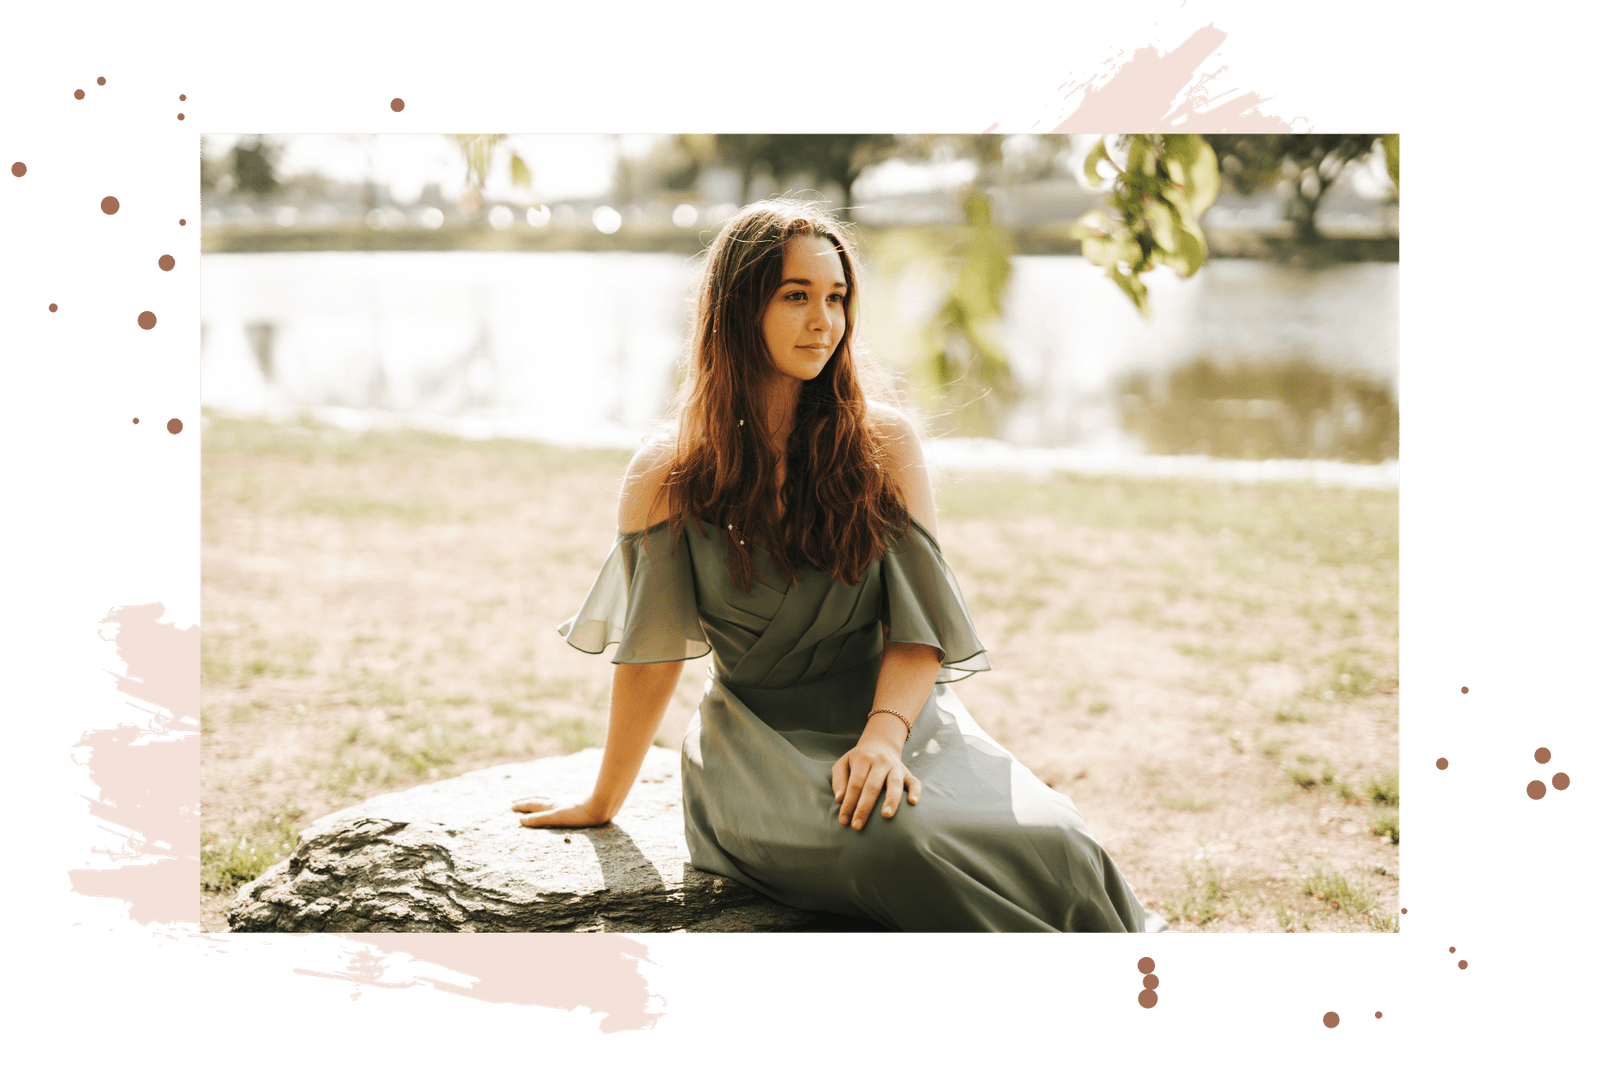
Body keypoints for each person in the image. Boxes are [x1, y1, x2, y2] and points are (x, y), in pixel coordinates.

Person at [512, 198, 1157, 933]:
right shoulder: (665, 472)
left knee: (1059, 839)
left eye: (837, 297)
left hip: (898, 720)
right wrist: (605, 797)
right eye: (796, 297)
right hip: (757, 745)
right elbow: (651, 658)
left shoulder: (884, 444)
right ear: (736, 308)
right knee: (895, 840)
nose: (825, 321)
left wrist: (883, 738)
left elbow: (922, 628)